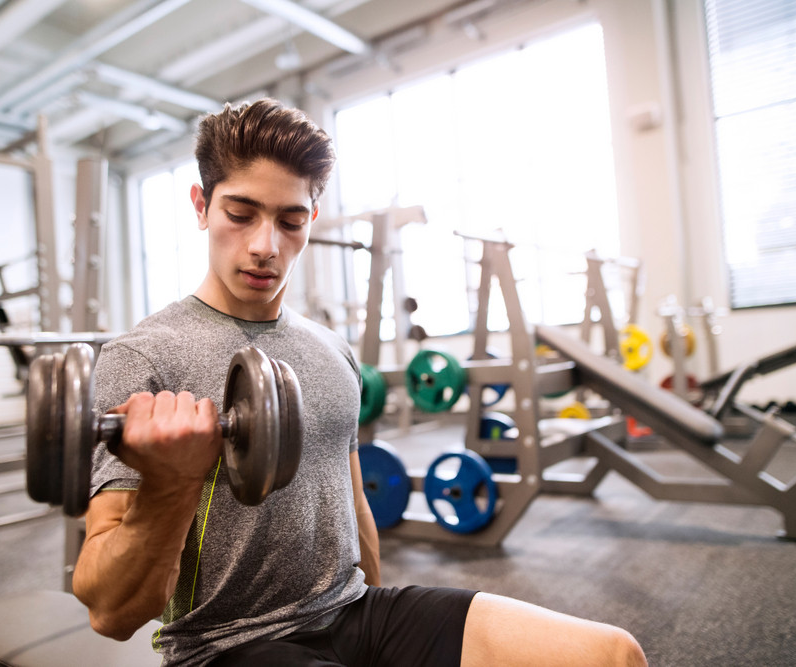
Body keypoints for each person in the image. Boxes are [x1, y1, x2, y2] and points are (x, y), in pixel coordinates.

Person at [72, 98, 647, 667]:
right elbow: (110, 612)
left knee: (611, 655)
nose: (265, 246)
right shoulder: (143, 356)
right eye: (240, 213)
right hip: (227, 645)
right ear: (202, 205)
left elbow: (353, 505)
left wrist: (380, 618)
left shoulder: (331, 350)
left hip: (355, 612)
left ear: (310, 221)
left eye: (290, 220)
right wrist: (172, 483)